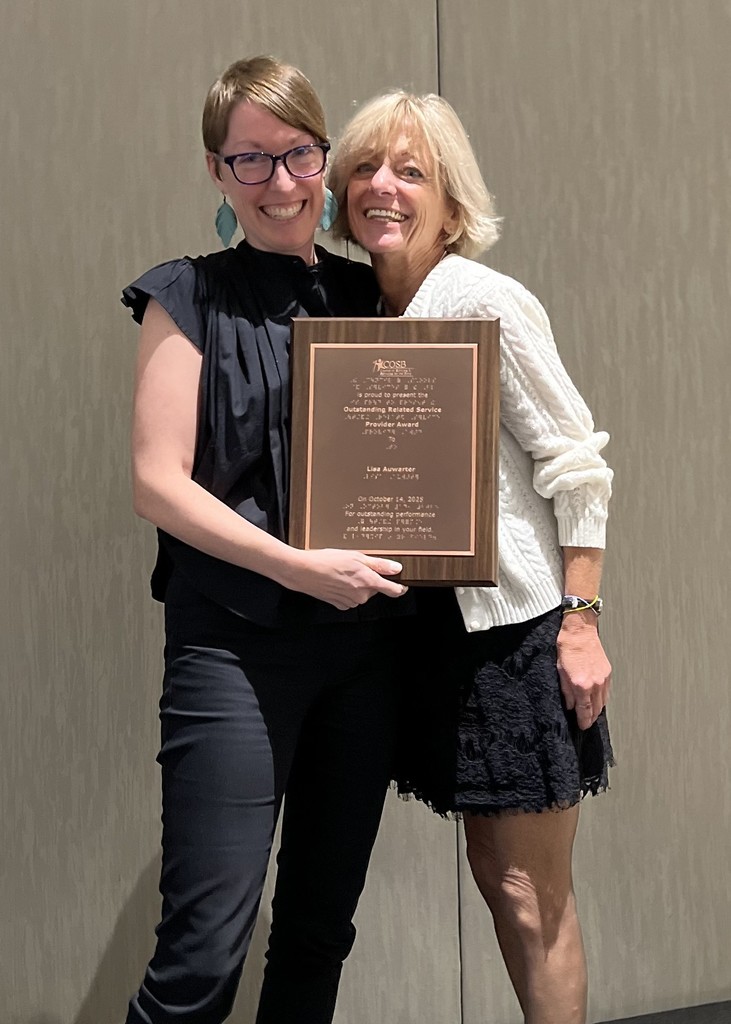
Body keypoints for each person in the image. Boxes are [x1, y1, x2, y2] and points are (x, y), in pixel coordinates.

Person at [121, 57, 411, 1024]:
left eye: (297, 155)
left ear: (324, 158)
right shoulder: (184, 297)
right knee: (203, 949)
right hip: (232, 646)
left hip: (364, 650)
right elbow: (156, 483)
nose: (281, 182)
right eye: (251, 161)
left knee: (320, 931)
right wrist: (295, 566)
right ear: (215, 172)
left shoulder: (380, 298)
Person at [329, 92, 614, 1024]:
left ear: (452, 206)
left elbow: (576, 464)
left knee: (533, 897)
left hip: (516, 636)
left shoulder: (487, 300)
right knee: (494, 875)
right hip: (429, 634)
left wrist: (581, 621)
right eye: (367, 168)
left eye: (412, 172)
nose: (384, 187)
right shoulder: (359, 316)